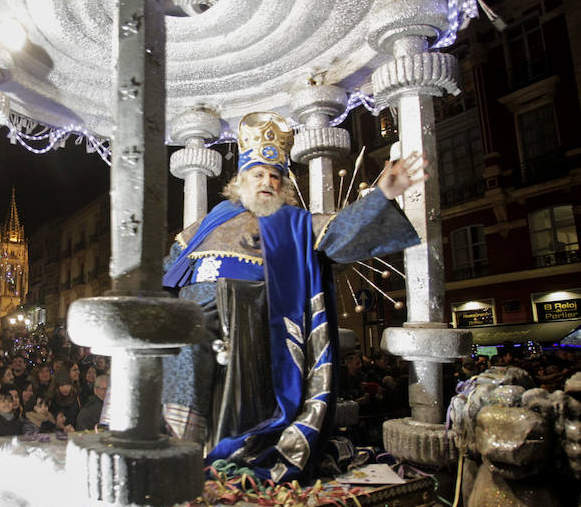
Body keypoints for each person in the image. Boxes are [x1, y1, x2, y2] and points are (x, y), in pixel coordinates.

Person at [162, 111, 425, 482]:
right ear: (240, 181)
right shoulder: (209, 222)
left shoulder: (295, 222)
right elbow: (169, 270)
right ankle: (174, 442)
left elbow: (340, 233)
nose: (267, 182)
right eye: (258, 174)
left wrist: (382, 196)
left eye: (275, 176)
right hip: (195, 325)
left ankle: (218, 450)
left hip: (254, 330)